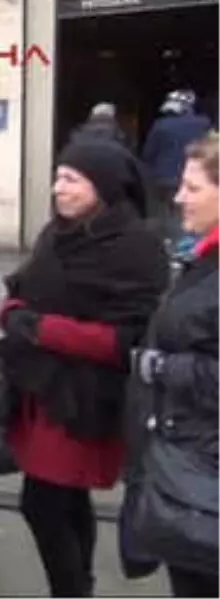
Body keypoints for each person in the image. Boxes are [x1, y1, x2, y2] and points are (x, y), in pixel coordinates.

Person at [0, 138, 167, 596]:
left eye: (72, 179)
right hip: (41, 388)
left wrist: (40, 328)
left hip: (84, 397)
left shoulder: (136, 247)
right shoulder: (57, 234)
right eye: (57, 177)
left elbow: (125, 339)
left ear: (104, 187)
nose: (58, 188)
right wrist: (11, 310)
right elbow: (24, 285)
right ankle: (80, 584)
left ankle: (71, 589)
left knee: (42, 503)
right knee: (64, 497)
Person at [127, 134, 220, 597]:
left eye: (194, 187)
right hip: (191, 467)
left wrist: (161, 369)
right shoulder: (203, 257)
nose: (180, 197)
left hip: (206, 476)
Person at [142, 90, 212, 242]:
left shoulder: (160, 125)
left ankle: (174, 246)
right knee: (192, 211)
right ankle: (191, 246)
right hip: (194, 177)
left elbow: (149, 153)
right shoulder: (204, 123)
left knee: (168, 214)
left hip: (164, 178)